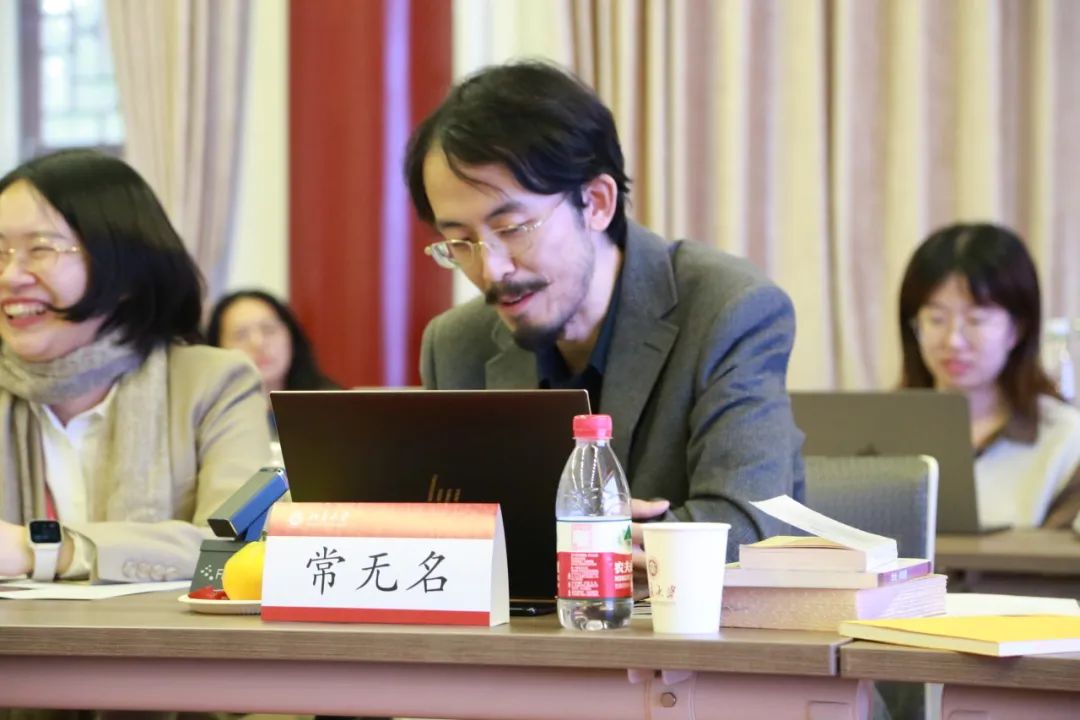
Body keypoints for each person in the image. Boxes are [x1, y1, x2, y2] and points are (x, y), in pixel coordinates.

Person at [405, 61, 805, 565]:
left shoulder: (728, 310)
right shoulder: (455, 345)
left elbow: (751, 528)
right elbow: (450, 539)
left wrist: (592, 542)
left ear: (595, 202)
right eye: (460, 241)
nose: (491, 270)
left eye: (511, 229)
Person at [0, 149, 271, 583]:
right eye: (0, 252)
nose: (11, 276)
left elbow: (241, 547)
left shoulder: (215, 383)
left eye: (41, 249)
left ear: (123, 271)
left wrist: (41, 550)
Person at [898, 222, 1080, 528]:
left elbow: (1060, 556)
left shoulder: (1066, 439)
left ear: (1017, 329)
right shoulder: (882, 428)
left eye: (977, 319)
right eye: (936, 319)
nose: (953, 341)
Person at [206, 289, 340, 462]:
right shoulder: (205, 420)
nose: (258, 343)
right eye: (240, 335)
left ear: (291, 336)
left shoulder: (332, 407)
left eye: (268, 330)